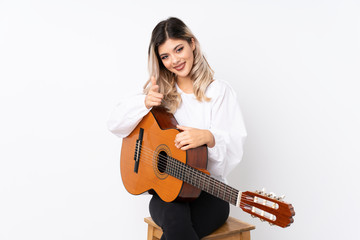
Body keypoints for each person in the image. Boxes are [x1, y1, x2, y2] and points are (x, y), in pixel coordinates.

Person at [107, 17, 247, 240]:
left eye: (179, 49)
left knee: (177, 230)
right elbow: (115, 125)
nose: (174, 60)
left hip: (210, 193)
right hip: (166, 194)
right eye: (165, 56)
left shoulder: (219, 92)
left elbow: (231, 157)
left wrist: (209, 138)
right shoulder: (158, 93)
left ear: (192, 43)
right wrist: (143, 103)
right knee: (174, 218)